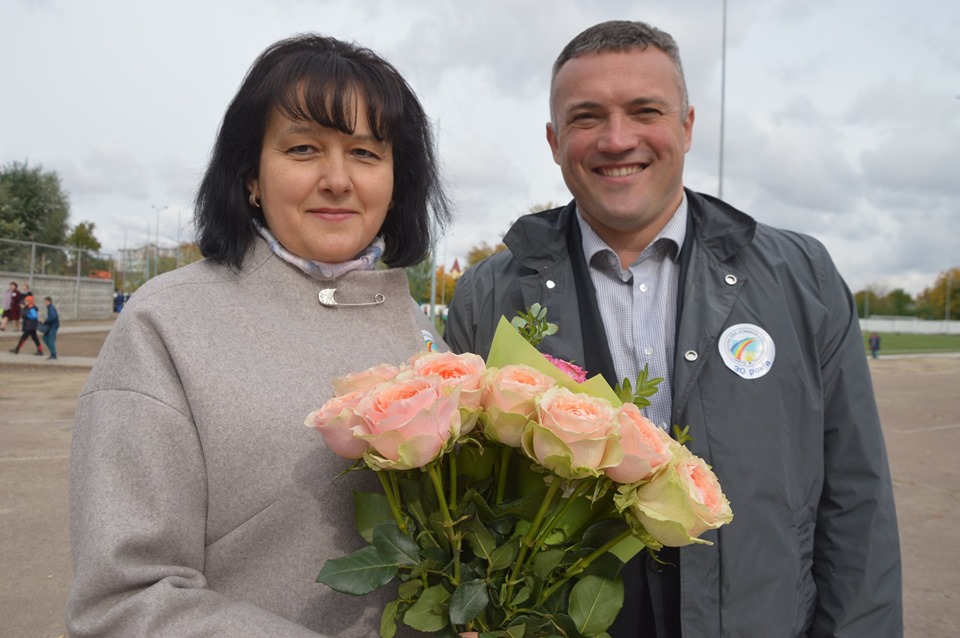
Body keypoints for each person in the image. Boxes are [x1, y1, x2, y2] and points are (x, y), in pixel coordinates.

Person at [445, 20, 901, 638]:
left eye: (644, 111)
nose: (616, 138)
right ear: (554, 141)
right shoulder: (488, 294)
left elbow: (857, 502)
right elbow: (461, 508)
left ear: (686, 126)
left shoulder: (803, 278)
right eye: (586, 118)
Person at [67, 34, 449, 637]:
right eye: (303, 149)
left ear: (397, 179)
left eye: (366, 153)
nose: (337, 179)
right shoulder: (165, 325)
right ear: (250, 175)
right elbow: (124, 598)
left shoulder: (431, 346)